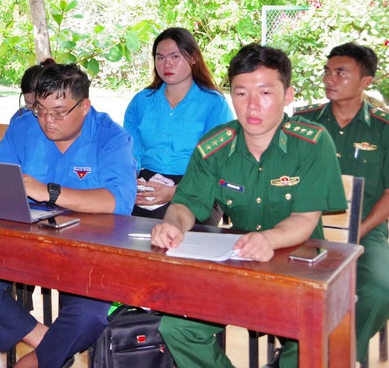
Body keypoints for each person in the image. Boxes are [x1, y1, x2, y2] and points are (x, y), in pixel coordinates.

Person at [151, 44, 347, 368]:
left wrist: (269, 239)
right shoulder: (215, 145)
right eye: (241, 94)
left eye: (265, 93)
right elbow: (185, 203)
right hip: (237, 265)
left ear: (288, 95)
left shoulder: (311, 142)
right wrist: (173, 223)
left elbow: (304, 218)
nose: (252, 106)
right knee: (178, 328)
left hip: (297, 268)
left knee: (311, 339)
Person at [0, 63, 137, 368]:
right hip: (30, 239)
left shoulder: (112, 137)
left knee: (89, 315)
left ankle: (39, 361)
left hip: (88, 247)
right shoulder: (25, 127)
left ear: (85, 106)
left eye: (59, 112)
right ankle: (48, 342)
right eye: (40, 110)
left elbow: (119, 201)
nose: (48, 121)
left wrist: (49, 192)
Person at [293, 42, 389, 364]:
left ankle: (344, 355)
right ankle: (299, 351)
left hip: (365, 227)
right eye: (327, 71)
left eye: (340, 72)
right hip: (306, 225)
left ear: (366, 81)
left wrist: (359, 231)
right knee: (287, 287)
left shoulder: (383, 128)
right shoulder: (302, 122)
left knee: (380, 289)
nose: (329, 79)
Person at [123, 27, 233, 219]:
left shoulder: (214, 104)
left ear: (192, 58)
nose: (167, 64)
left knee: (171, 229)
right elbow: (132, 151)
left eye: (175, 57)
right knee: (121, 224)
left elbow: (216, 164)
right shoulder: (142, 101)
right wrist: (132, 182)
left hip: (196, 186)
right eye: (160, 57)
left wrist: (174, 192)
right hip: (147, 180)